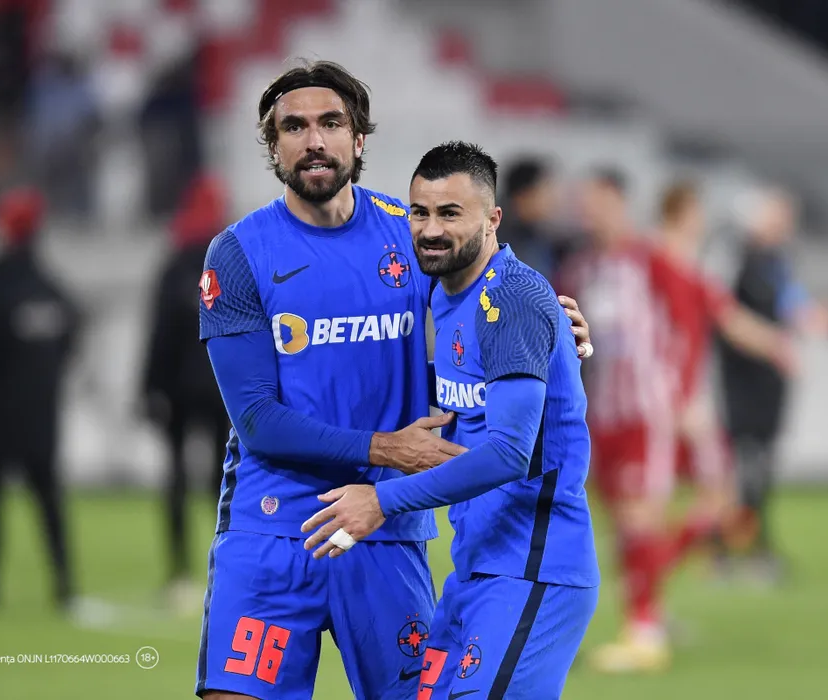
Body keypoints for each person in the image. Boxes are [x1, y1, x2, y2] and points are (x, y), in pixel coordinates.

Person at [194, 61, 592, 700]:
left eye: (331, 123)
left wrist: (547, 326)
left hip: (386, 534)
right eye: (294, 127)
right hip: (272, 529)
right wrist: (388, 449)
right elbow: (257, 420)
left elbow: (487, 309)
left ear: (358, 140)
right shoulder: (239, 253)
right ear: (273, 146)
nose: (314, 140)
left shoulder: (410, 232)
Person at [301, 141, 599, 700]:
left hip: (532, 569)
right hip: (475, 572)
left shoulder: (512, 300)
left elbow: (510, 452)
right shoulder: (447, 296)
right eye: (420, 212)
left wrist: (382, 501)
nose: (431, 229)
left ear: (493, 219)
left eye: (450, 213)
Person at [571, 176, 794, 673]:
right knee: (625, 525)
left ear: (622, 205)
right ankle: (650, 606)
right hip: (601, 414)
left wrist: (688, 393)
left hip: (650, 410)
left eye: (600, 204)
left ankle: (644, 629)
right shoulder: (580, 266)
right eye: (585, 207)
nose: (591, 215)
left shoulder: (651, 259)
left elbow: (709, 312)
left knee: (662, 515)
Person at [0, 187, 80, 608]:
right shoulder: (48, 286)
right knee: (48, 500)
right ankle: (64, 585)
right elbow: (70, 338)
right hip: (40, 414)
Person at [717, 187, 828, 579]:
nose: (784, 226)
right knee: (744, 467)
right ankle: (735, 549)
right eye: (777, 217)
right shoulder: (739, 262)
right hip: (744, 380)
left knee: (759, 466)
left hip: (770, 381)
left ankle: (745, 547)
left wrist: (810, 317)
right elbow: (729, 319)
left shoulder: (779, 262)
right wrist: (777, 342)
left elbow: (791, 305)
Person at [141, 174, 231, 605]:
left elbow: (159, 333)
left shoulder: (175, 263)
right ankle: (225, 566)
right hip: (222, 387)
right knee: (223, 481)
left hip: (177, 388)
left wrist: (149, 387)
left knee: (176, 478)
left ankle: (178, 570)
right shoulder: (232, 260)